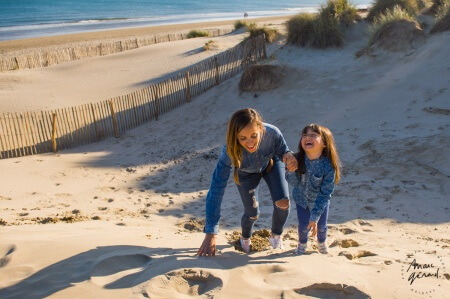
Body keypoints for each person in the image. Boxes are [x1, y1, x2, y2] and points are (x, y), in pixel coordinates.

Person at [197, 108, 298, 256]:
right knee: (252, 214)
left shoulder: (272, 133)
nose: (249, 142)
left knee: (283, 202)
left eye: (254, 136)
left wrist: (289, 156)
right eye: (242, 138)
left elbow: (284, 150)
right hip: (246, 174)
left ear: (260, 128)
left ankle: (276, 236)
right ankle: (245, 238)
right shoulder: (229, 151)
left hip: (271, 165)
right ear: (235, 137)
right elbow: (216, 189)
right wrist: (210, 233)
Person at [285, 124, 341, 255]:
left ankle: (321, 242)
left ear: (324, 143)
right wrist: (291, 171)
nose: (307, 138)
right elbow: (293, 182)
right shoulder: (297, 159)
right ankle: (302, 244)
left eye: (313, 135)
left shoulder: (328, 166)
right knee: (304, 226)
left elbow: (325, 193)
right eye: (305, 135)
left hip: (319, 202)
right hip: (301, 200)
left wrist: (315, 216)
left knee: (321, 227)